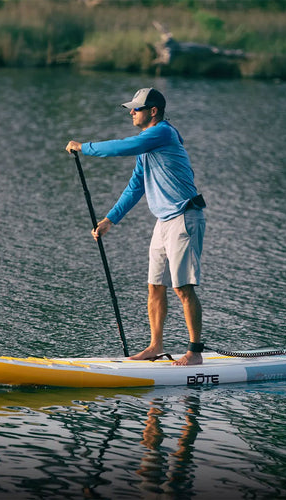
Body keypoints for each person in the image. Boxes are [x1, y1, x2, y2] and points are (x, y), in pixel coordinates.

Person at [66, 88, 206, 366]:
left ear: (153, 111)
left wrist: (85, 147)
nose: (131, 112)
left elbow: (121, 146)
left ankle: (195, 352)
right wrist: (109, 220)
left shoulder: (162, 133)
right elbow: (135, 186)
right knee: (155, 287)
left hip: (184, 217)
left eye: (137, 108)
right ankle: (155, 346)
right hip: (164, 221)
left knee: (183, 288)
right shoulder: (147, 147)